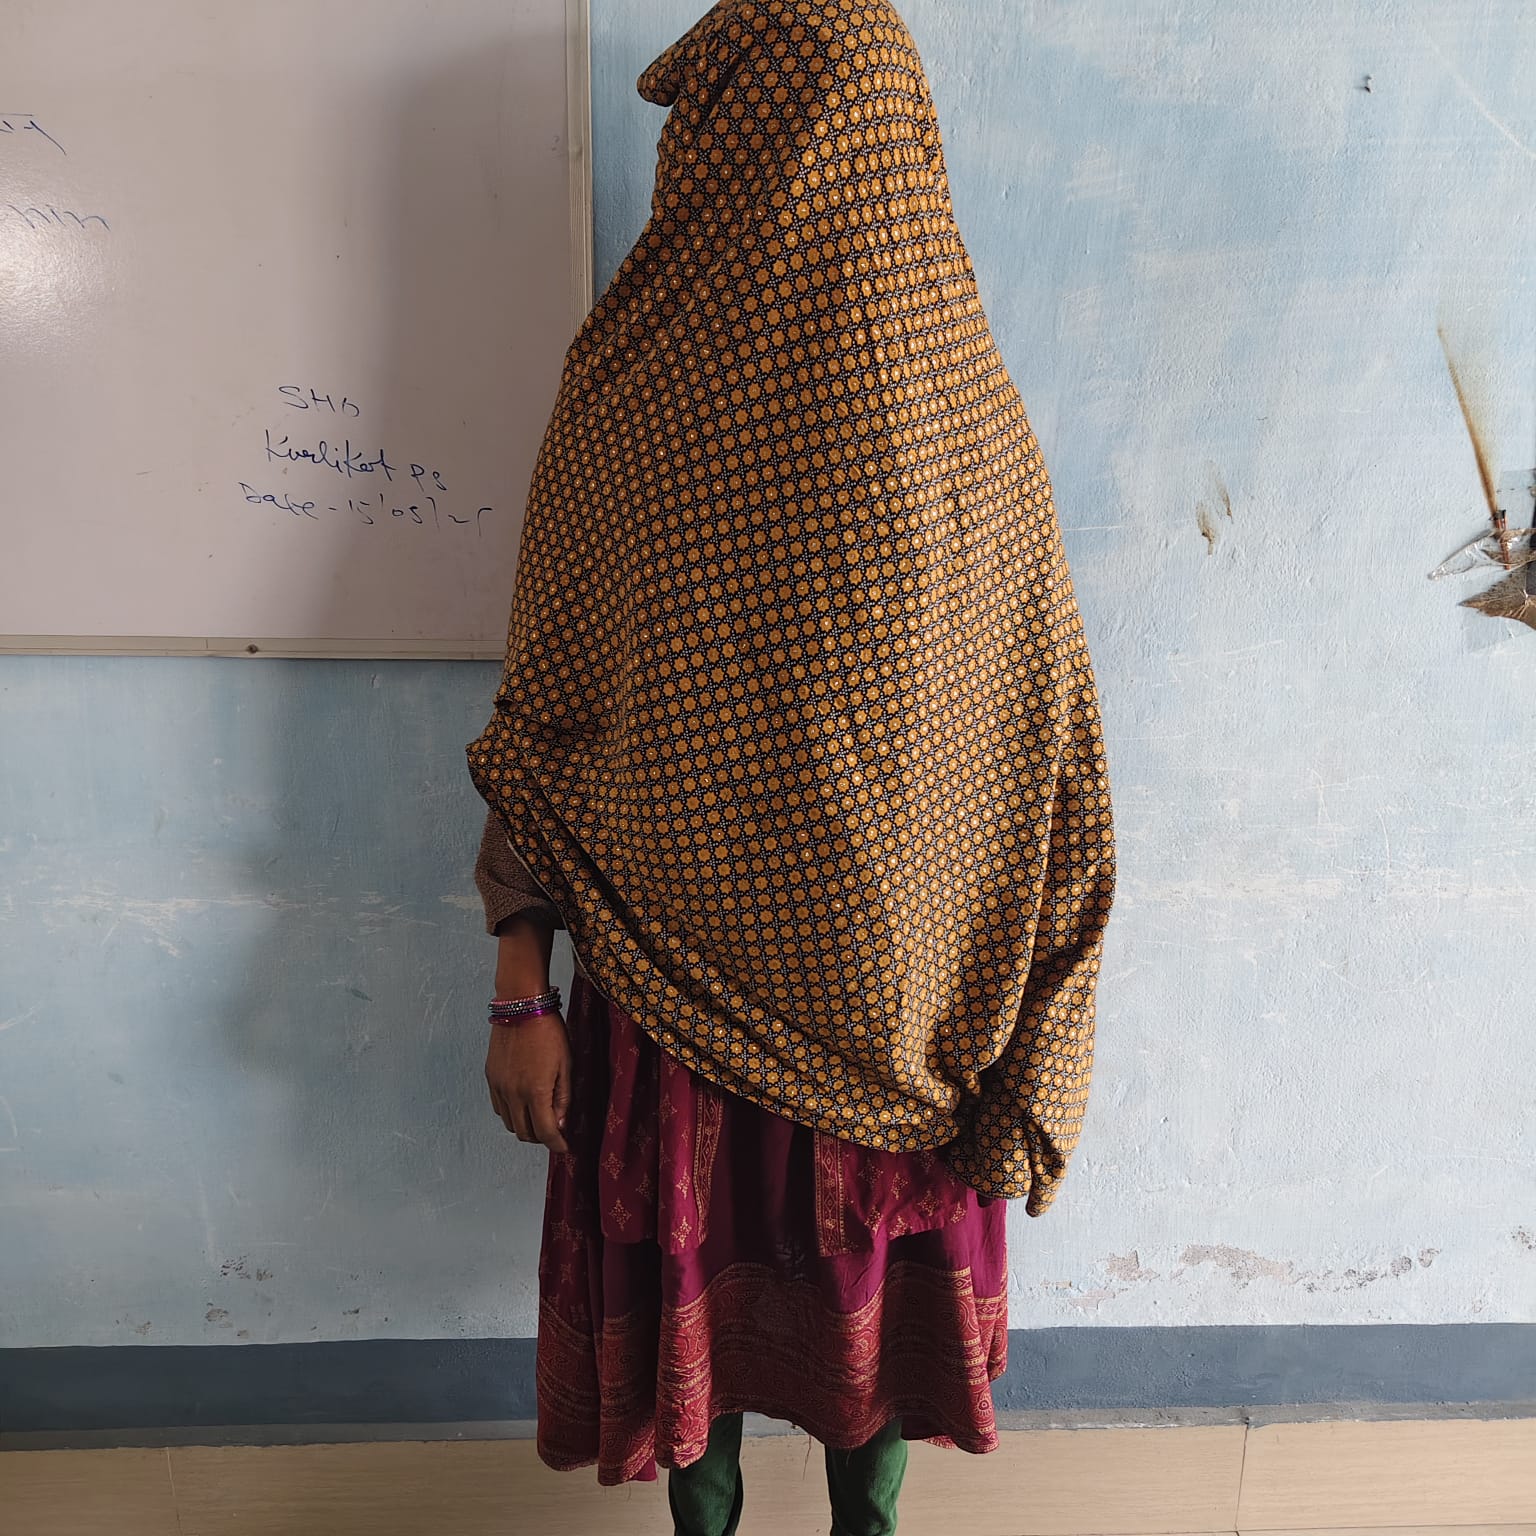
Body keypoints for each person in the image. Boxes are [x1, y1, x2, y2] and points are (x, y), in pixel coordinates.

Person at [466, 2, 1115, 1532]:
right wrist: (517, 987)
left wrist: (1038, 1029)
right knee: (697, 1387)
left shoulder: (966, 429)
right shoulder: (632, 400)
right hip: (669, 1014)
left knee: (866, 1377)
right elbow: (551, 716)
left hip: (904, 1045)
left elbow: (1044, 763)